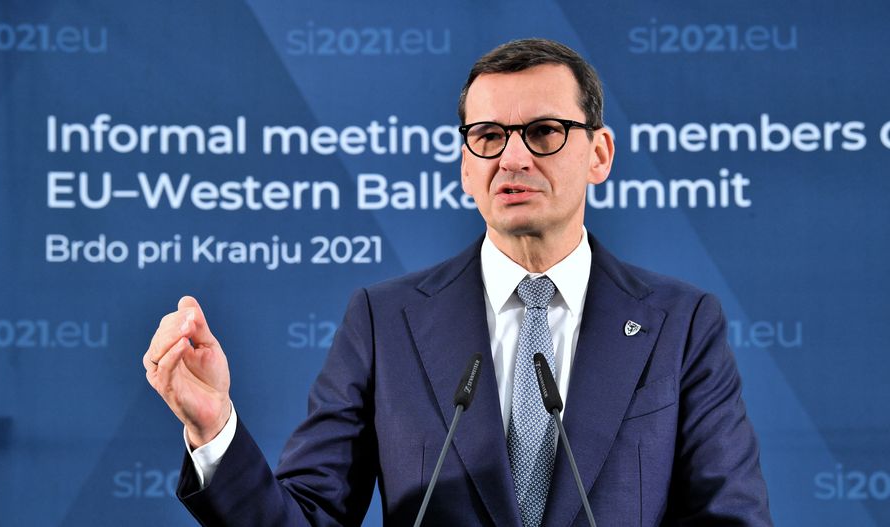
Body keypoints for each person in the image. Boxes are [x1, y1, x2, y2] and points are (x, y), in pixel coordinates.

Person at [144, 38, 772, 526]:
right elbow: (308, 520)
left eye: (544, 132)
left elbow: (730, 518)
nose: (514, 158)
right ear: (466, 167)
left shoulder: (681, 323)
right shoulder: (383, 322)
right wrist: (215, 430)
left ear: (598, 154)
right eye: (488, 137)